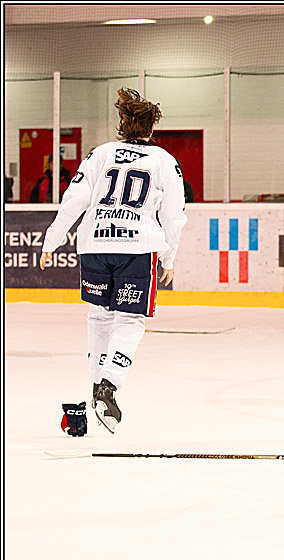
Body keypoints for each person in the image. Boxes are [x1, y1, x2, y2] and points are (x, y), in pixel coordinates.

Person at [39, 87, 186, 433]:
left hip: (95, 244)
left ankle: (96, 383)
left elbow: (74, 198)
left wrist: (52, 239)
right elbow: (174, 215)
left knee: (99, 317)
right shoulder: (165, 161)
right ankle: (110, 383)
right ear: (152, 129)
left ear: (123, 123)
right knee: (129, 321)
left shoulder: (100, 153)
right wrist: (169, 257)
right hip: (137, 248)